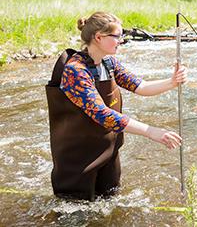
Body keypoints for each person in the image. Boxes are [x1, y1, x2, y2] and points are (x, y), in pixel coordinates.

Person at [45, 11, 185, 201]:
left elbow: (140, 86)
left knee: (110, 207)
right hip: (78, 162)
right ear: (99, 37)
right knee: (75, 213)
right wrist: (151, 131)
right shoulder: (75, 71)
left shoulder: (109, 63)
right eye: (117, 36)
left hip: (108, 153)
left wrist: (172, 82)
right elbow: (103, 114)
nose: (121, 40)